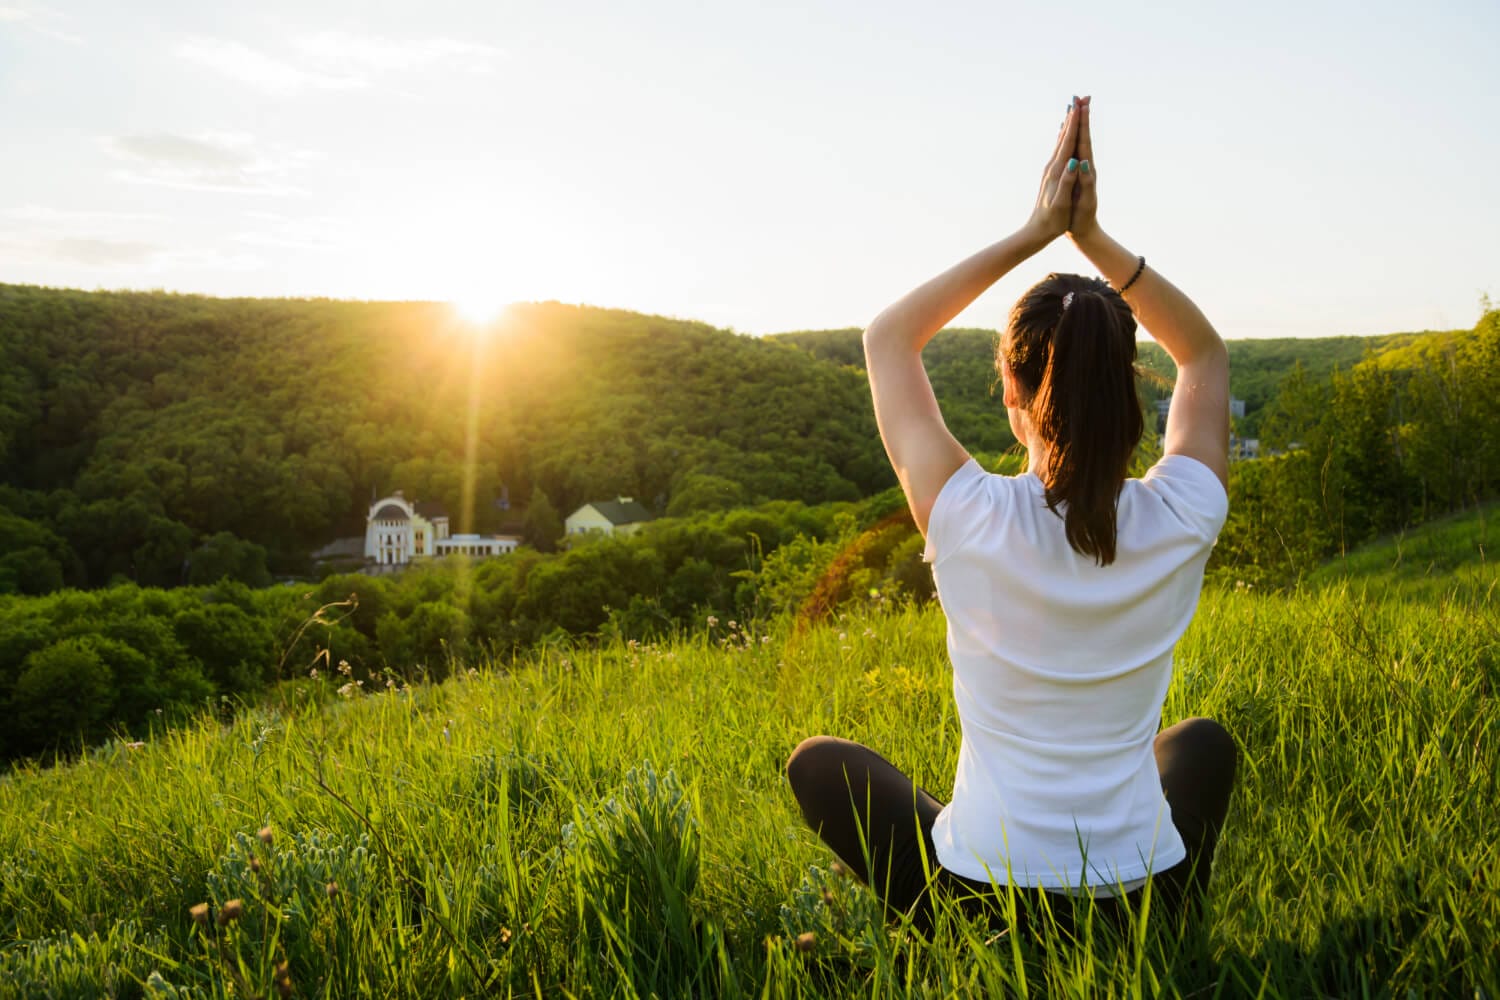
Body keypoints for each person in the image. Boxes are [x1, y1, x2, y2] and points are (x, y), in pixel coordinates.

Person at [786, 96, 1238, 939]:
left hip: (985, 906)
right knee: (1203, 744)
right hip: (1141, 901)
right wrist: (1097, 241)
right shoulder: (1182, 513)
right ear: (1131, 399)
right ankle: (1166, 921)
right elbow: (1205, 352)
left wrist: (1039, 231)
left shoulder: (966, 515)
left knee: (820, 765)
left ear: (1011, 395)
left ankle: (961, 934)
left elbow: (889, 338)